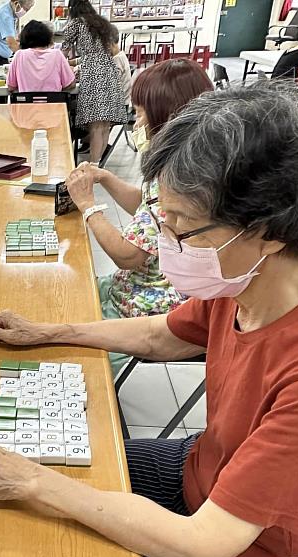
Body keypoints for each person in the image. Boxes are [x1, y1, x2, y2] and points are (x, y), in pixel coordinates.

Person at [0, 83, 298, 557]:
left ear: (269, 229)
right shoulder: (249, 277)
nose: (169, 245)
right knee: (41, 472)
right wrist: (47, 332)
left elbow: (202, 548)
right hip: (202, 474)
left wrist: (32, 482)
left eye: (185, 229)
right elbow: (162, 334)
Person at [67, 59, 212, 374]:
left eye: (142, 112)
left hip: (153, 306)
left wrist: (88, 207)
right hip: (138, 286)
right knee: (69, 292)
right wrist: (105, 177)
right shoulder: (177, 161)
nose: (136, 121)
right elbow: (145, 205)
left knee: (72, 342)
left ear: (168, 116)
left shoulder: (184, 178)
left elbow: (128, 256)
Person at [62, 0, 128, 163]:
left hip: (93, 72)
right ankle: (97, 164)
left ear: (72, 8)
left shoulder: (76, 23)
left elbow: (63, 51)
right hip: (109, 69)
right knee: (104, 124)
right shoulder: (102, 22)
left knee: (95, 124)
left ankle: (92, 165)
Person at [7, 20, 75, 93]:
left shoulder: (19, 55)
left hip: (26, 103)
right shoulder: (57, 54)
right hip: (54, 103)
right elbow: (70, 84)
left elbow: (11, 86)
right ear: (48, 37)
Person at [0, 0, 35, 66]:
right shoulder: (6, 16)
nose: (25, 12)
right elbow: (11, 44)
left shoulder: (8, 10)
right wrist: (29, 59)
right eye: (25, 9)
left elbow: (13, 39)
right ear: (16, 4)